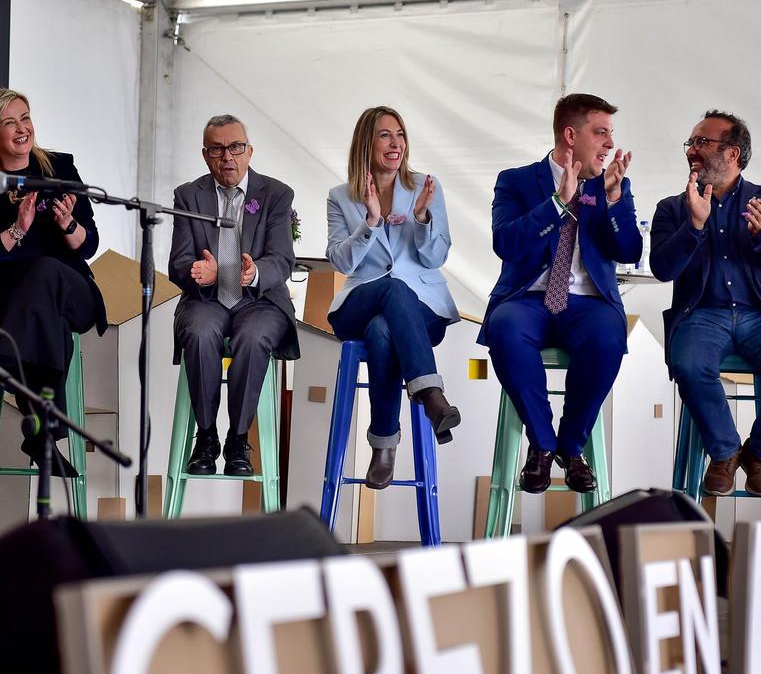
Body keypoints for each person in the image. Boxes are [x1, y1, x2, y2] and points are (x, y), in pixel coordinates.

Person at [650, 110, 761, 497]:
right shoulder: (672, 208)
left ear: (733, 153)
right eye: (690, 143)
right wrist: (693, 226)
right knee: (687, 364)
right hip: (701, 314)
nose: (691, 150)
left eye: (701, 142)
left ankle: (760, 454)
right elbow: (662, 268)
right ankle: (724, 452)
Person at [480, 93, 641, 494]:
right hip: (528, 299)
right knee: (505, 330)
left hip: (589, 304)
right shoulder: (515, 181)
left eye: (610, 134)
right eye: (600, 133)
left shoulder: (613, 184)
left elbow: (630, 251)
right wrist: (556, 203)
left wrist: (616, 201)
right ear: (571, 135)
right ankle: (542, 443)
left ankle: (571, 448)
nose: (609, 144)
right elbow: (506, 243)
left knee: (609, 336)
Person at [0, 88, 106, 476]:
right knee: (41, 308)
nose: (22, 129)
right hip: (2, 297)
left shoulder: (59, 168)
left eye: (26, 117)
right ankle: (42, 432)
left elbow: (89, 246)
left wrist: (68, 224)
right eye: (9, 122)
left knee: (46, 272)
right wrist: (17, 230)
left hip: (73, 293)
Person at [325, 106, 460, 489]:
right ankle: (431, 395)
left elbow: (436, 257)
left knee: (384, 330)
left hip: (422, 309)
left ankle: (383, 446)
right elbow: (340, 260)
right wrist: (369, 221)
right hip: (360, 300)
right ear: (366, 142)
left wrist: (420, 219)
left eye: (400, 135)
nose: (395, 143)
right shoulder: (341, 197)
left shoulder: (425, 187)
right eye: (385, 135)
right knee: (391, 291)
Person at [169, 115, 298, 476]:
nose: (228, 156)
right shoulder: (188, 195)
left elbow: (282, 259)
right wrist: (202, 274)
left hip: (259, 300)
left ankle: (238, 438)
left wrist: (250, 272)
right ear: (206, 155)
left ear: (249, 151)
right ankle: (206, 436)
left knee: (254, 337)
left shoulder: (275, 194)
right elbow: (178, 262)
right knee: (198, 331)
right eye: (217, 149)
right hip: (206, 300)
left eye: (235, 147)